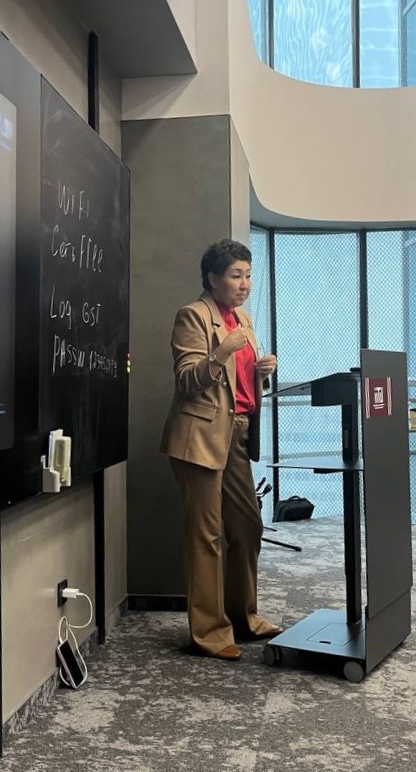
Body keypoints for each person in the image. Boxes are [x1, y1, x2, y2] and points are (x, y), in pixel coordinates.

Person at [160, 238, 281, 661]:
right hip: (199, 438)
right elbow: (187, 380)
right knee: (206, 536)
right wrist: (223, 350)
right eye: (235, 275)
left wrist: (262, 372)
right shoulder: (193, 316)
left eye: (248, 275)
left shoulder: (241, 318)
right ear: (212, 279)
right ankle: (209, 632)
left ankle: (243, 617)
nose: (244, 284)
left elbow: (238, 386)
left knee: (247, 526)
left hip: (236, 436)